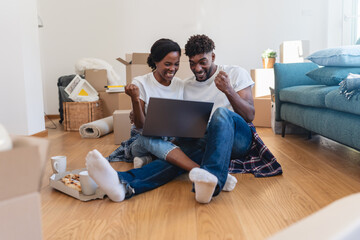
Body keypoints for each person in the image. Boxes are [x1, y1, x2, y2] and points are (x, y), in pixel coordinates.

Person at [86, 34, 282, 203]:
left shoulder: (234, 73)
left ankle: (212, 180)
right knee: (178, 158)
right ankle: (123, 183)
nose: (197, 68)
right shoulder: (186, 86)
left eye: (202, 62)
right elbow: (179, 119)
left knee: (220, 114)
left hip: (239, 139)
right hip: (207, 142)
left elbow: (249, 115)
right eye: (192, 63)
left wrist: (228, 90)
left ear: (213, 57)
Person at [121, 38, 184, 168]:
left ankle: (148, 160)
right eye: (167, 64)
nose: (172, 68)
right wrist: (135, 99)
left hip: (172, 139)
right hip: (143, 139)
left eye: (176, 64)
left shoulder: (180, 84)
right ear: (156, 61)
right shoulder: (141, 83)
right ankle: (197, 169)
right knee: (149, 140)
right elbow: (140, 125)